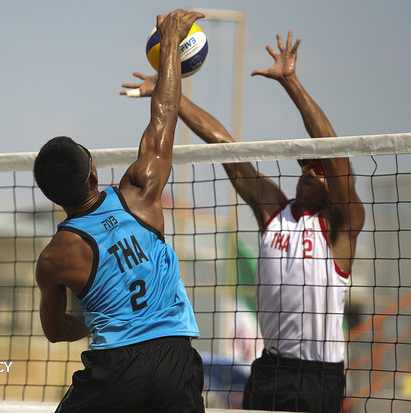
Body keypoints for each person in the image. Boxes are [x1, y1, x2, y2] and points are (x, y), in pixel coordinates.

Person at [120, 31, 365, 412]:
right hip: (268, 369)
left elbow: (336, 159)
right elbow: (225, 147)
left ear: (331, 186)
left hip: (318, 377)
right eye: (304, 170)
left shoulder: (340, 228)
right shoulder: (275, 212)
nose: (306, 176)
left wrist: (291, 83)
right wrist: (169, 93)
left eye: (316, 172)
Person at [33, 9, 206, 413]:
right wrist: (170, 47)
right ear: (93, 172)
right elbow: (163, 116)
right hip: (174, 358)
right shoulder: (140, 192)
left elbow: (56, 331)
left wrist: (94, 322)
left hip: (114, 370)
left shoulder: (54, 258)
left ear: (51, 195)